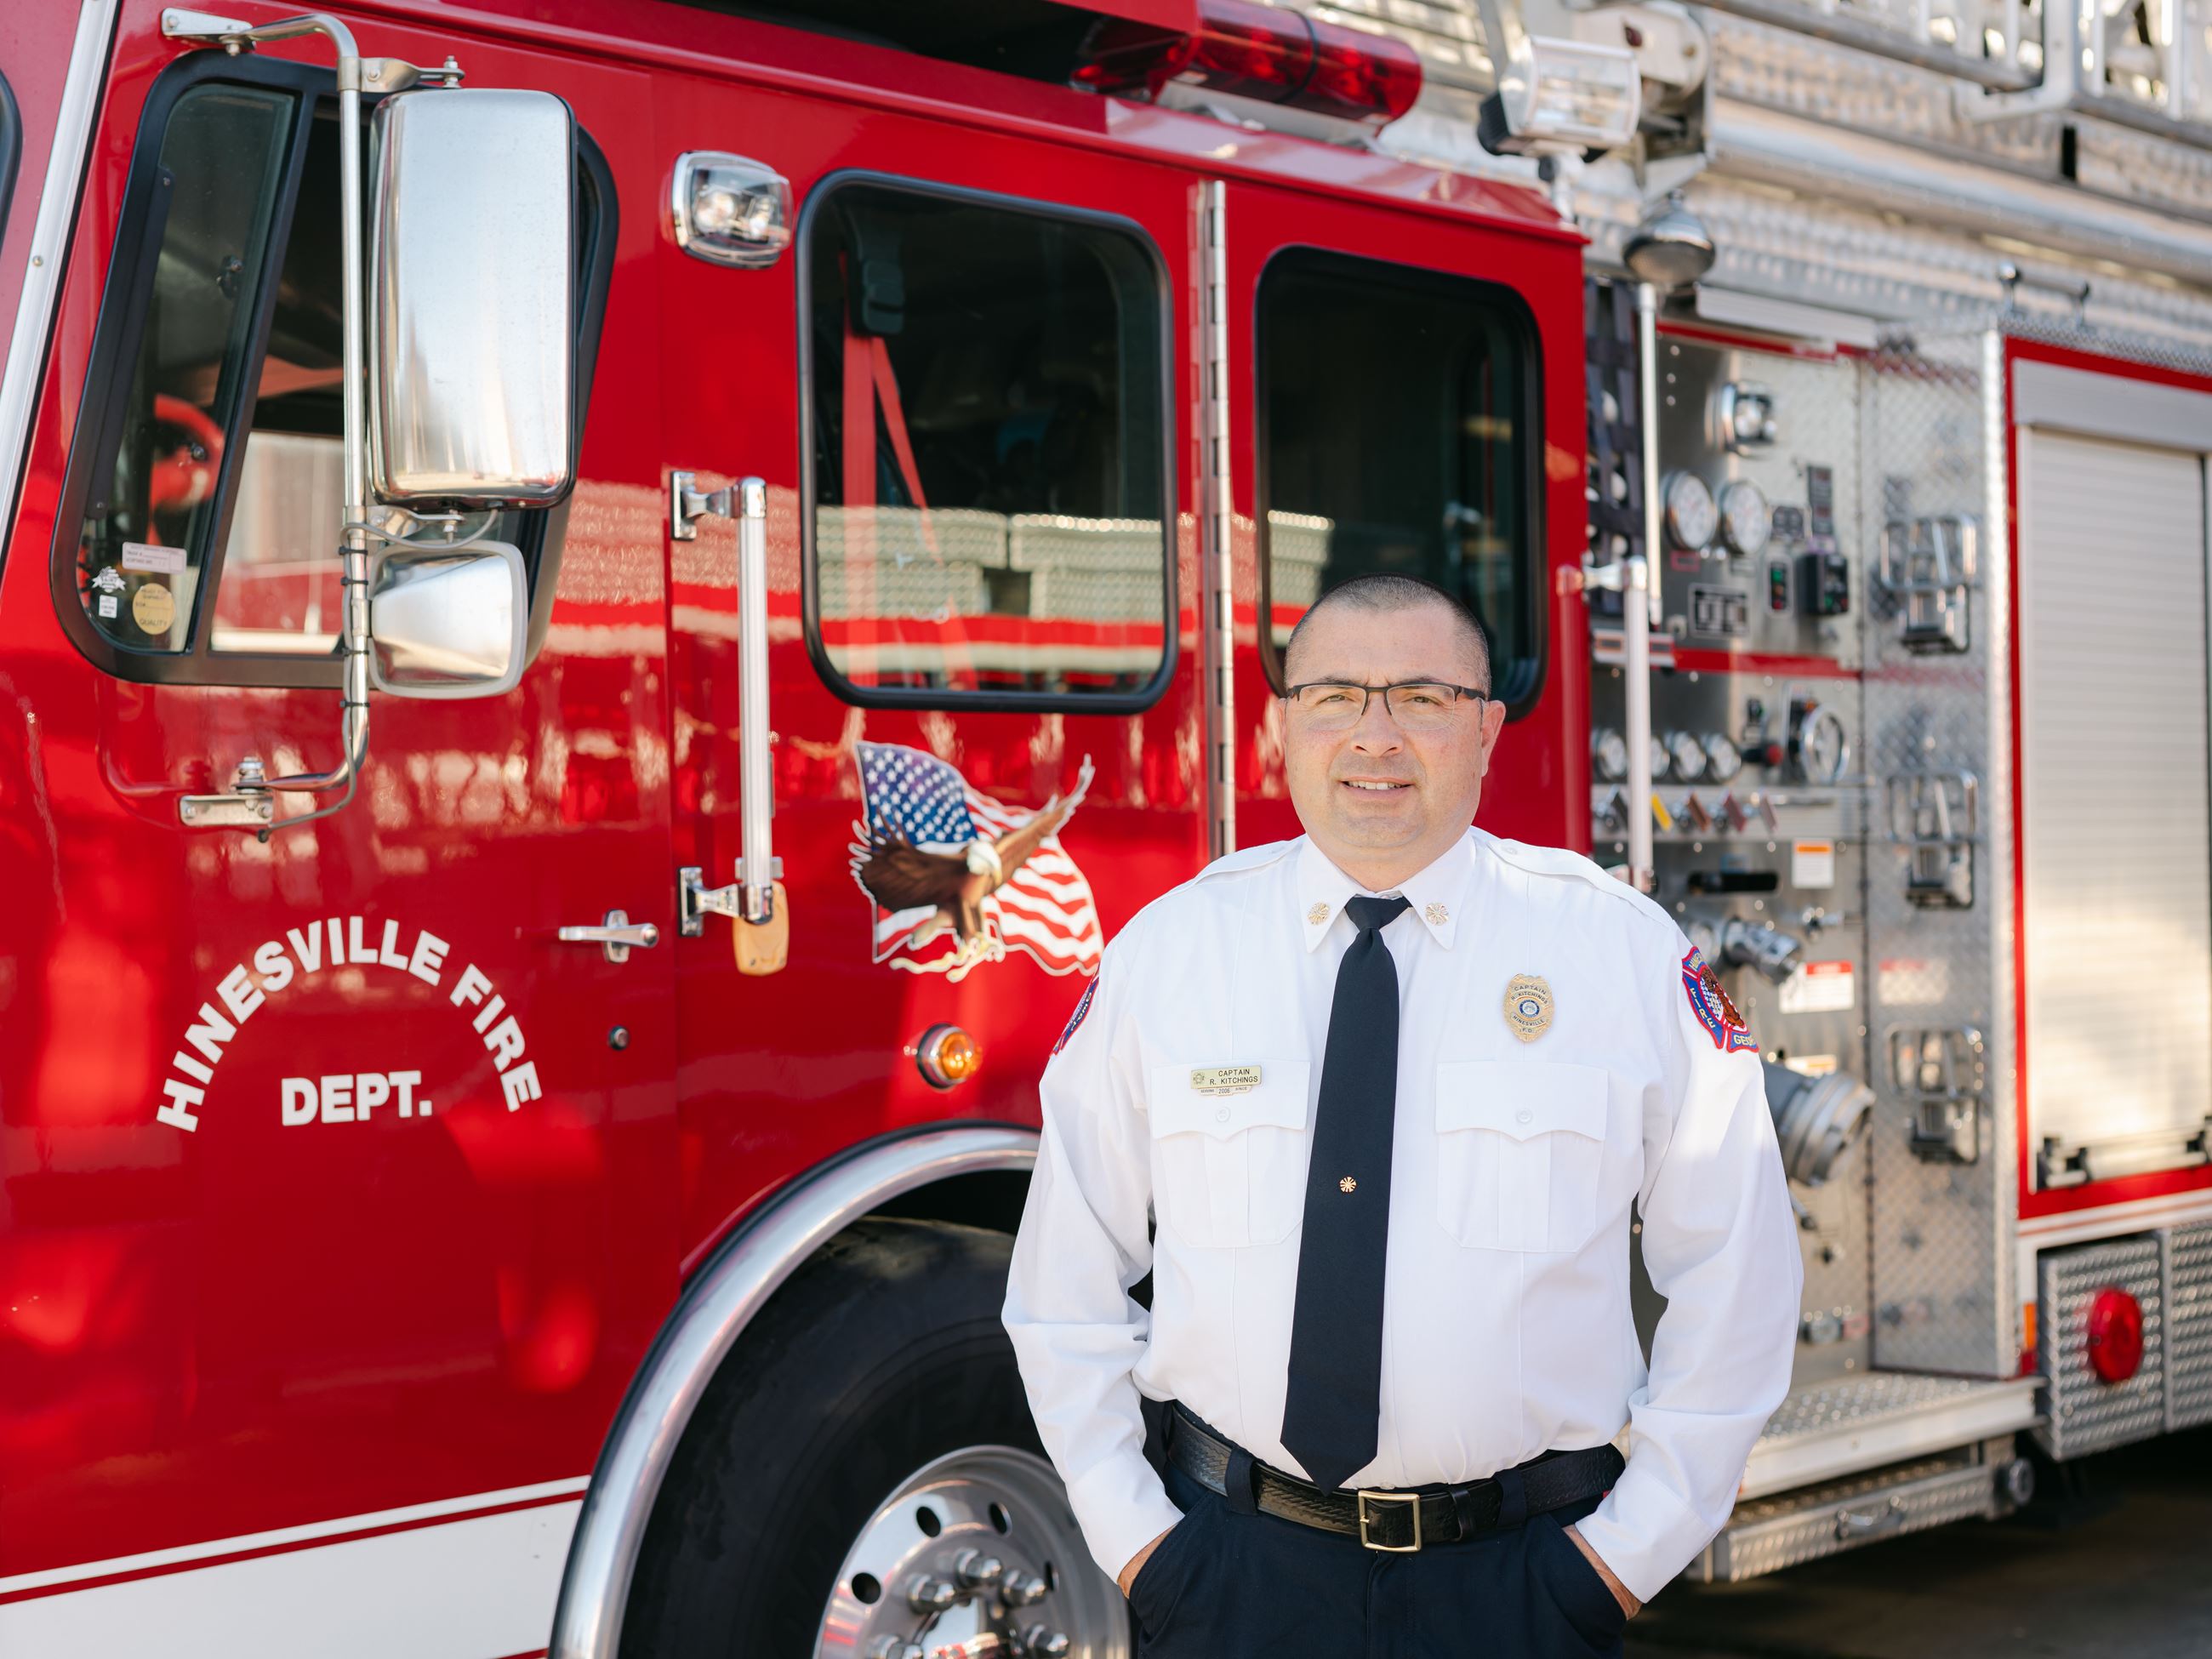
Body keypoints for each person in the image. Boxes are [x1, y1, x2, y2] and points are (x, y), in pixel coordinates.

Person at [1002, 573, 1802, 1656]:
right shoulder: (1169, 956)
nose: (1373, 736)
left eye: (1422, 698)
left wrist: (1620, 1558)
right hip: (1230, 1576)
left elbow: (1735, 1272)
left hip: (1524, 1583)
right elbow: (1063, 1289)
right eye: (1334, 695)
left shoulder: (1616, 954)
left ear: (1485, 730)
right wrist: (1141, 1543)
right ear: (1282, 725)